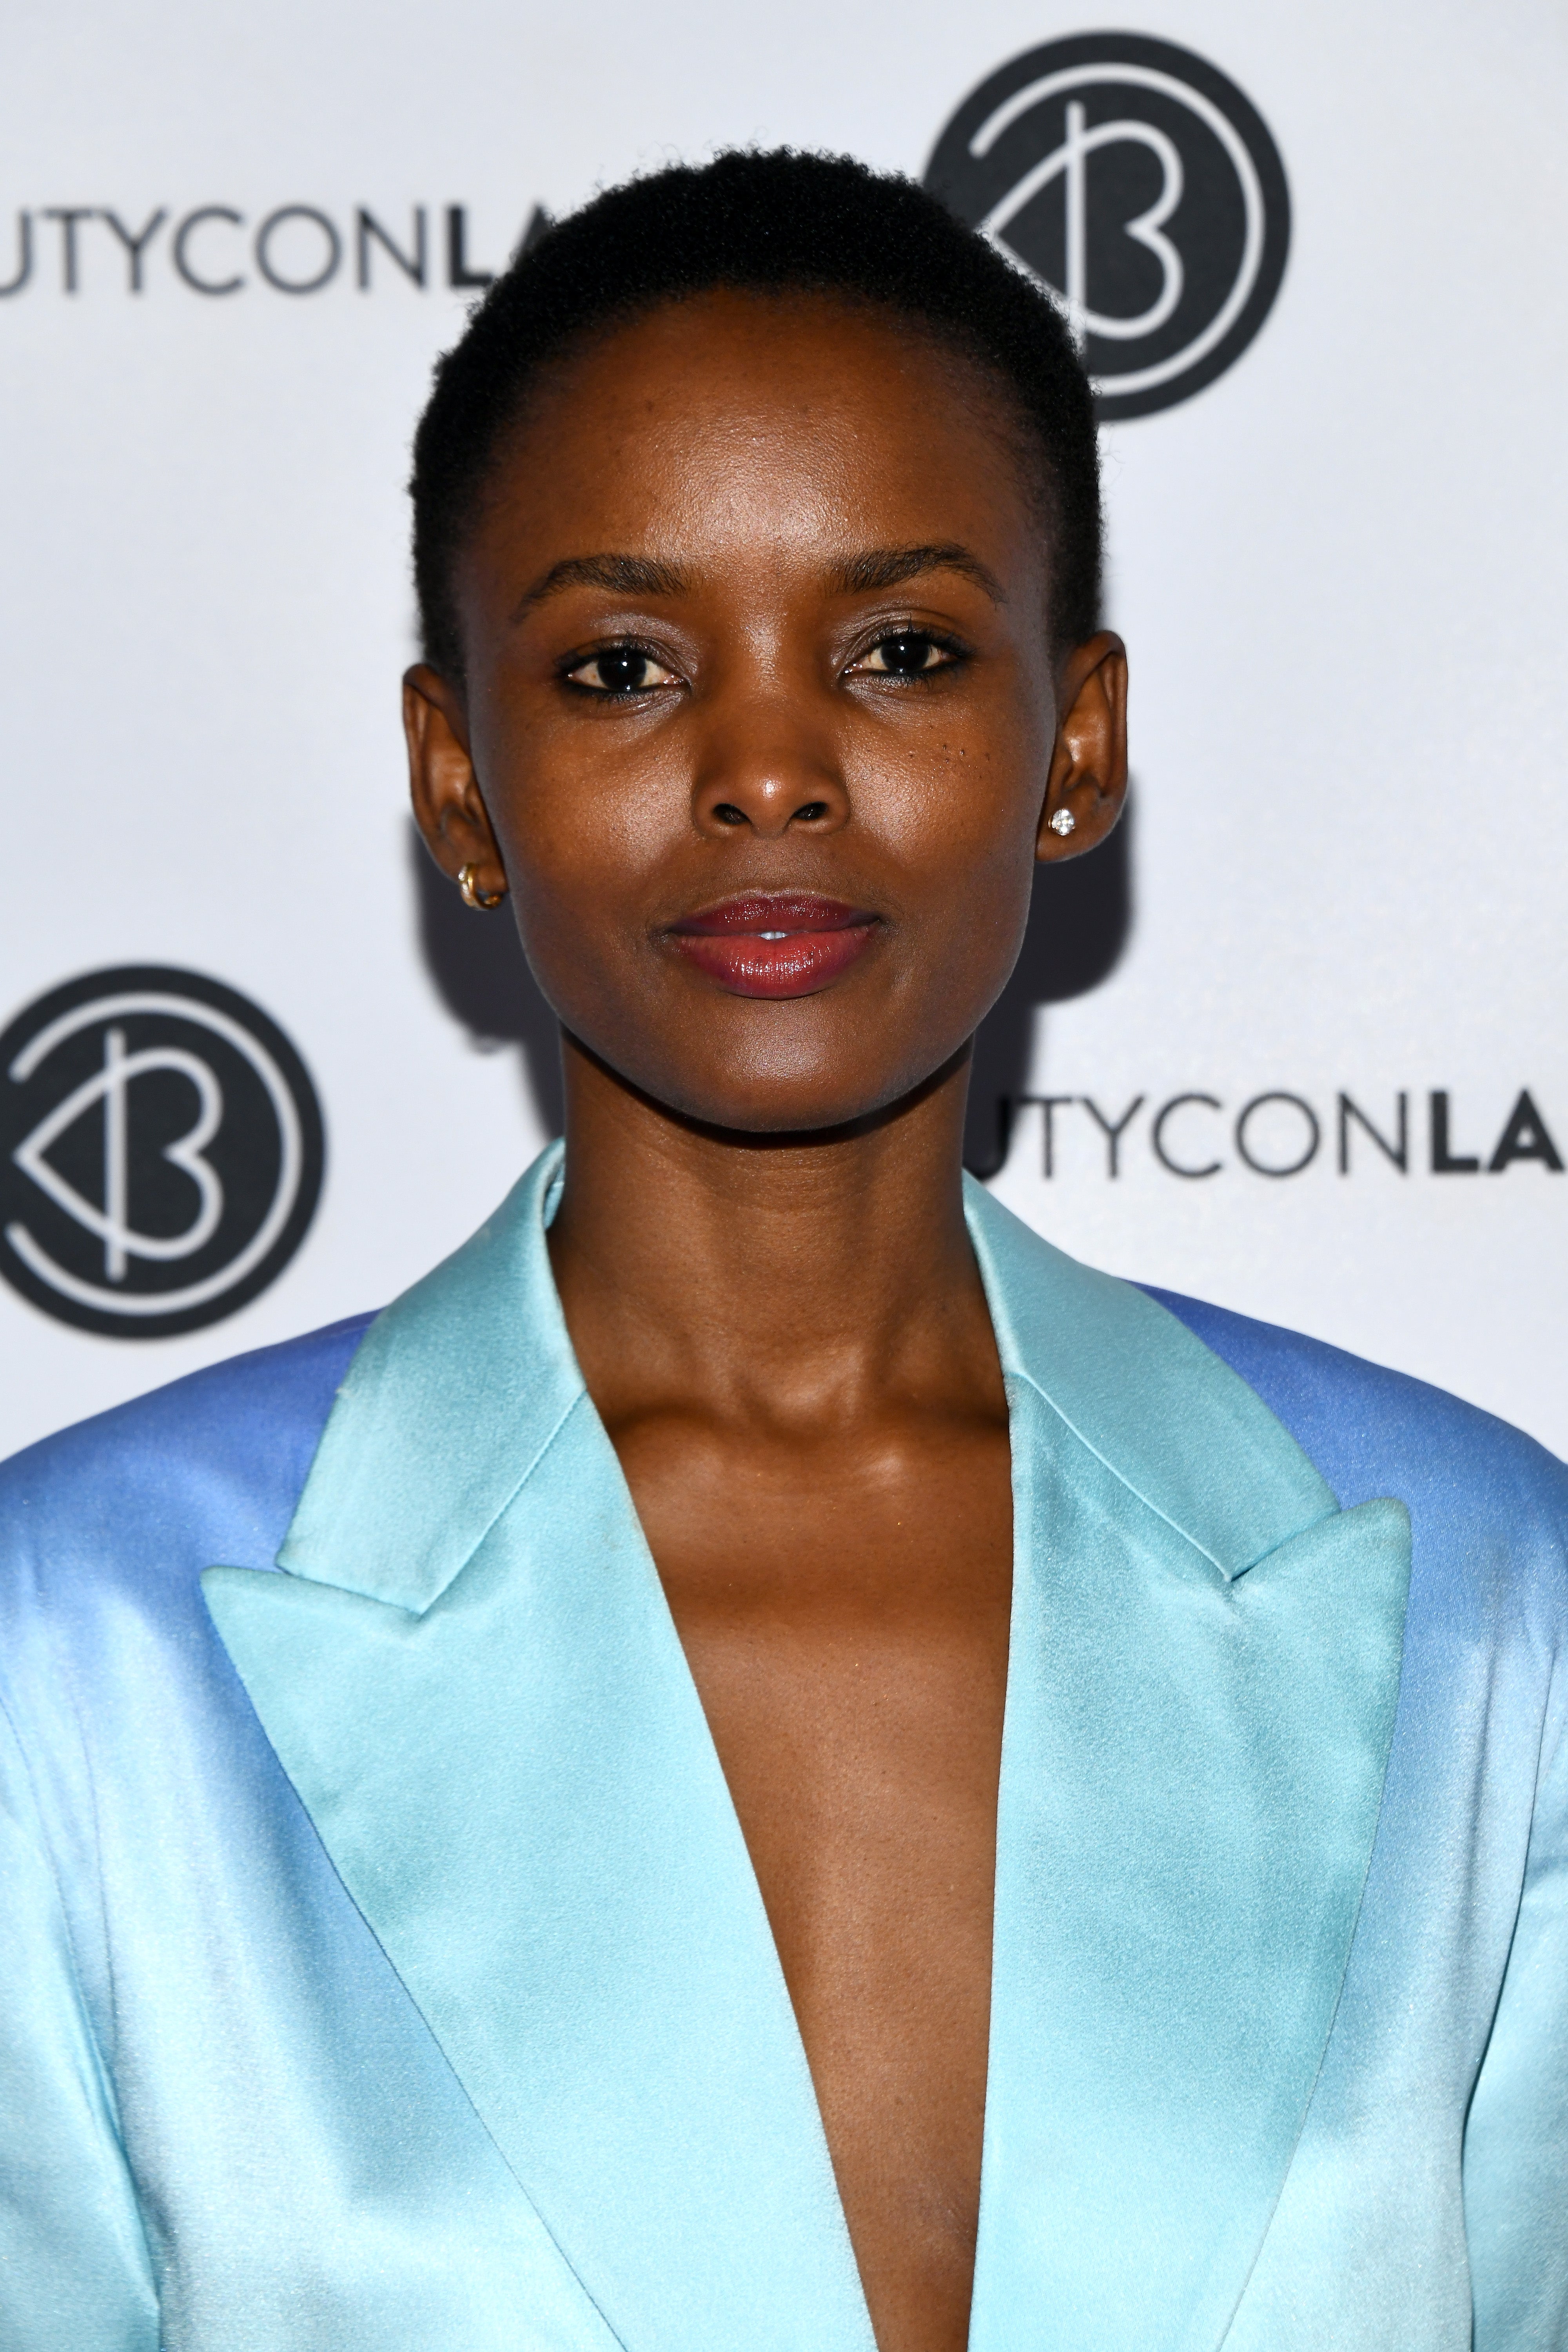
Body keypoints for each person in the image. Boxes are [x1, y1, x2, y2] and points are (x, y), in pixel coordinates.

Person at [0, 149, 1563, 2352]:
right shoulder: (78, 1654)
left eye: (900, 651)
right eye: (622, 666)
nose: (765, 771)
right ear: (458, 782)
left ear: (1076, 745)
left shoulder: (1487, 1607)